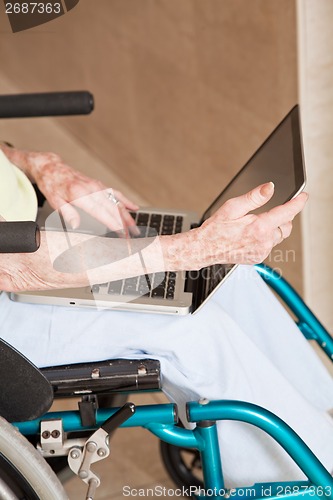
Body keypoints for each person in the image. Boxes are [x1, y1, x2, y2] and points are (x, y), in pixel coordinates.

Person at [0, 143, 332, 488]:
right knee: (189, 327)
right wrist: (194, 248)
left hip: (28, 230)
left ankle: (316, 420)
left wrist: (42, 165)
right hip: (10, 298)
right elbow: (12, 268)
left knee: (233, 275)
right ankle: (308, 478)